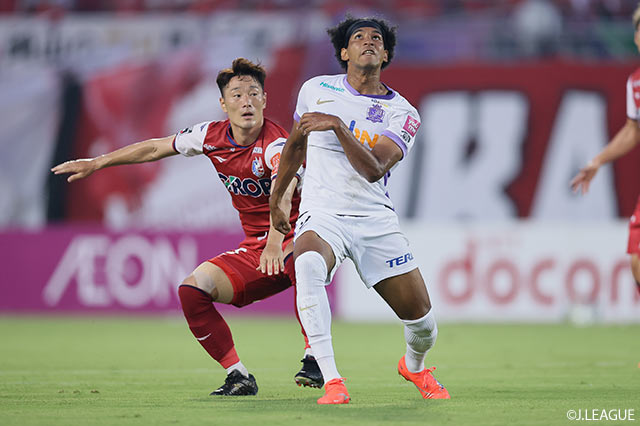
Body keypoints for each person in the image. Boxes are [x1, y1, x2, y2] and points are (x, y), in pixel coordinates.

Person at [51, 58, 323, 395]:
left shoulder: (277, 145)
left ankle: (314, 357)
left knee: (302, 260)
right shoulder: (210, 135)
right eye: (237, 95)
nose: (246, 102)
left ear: (265, 100)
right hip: (258, 247)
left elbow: (284, 191)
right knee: (192, 290)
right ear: (223, 103)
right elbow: (155, 147)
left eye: (254, 93)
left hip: (300, 236)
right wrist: (98, 162)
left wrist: (275, 242)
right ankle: (238, 375)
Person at [269, 16, 450, 404]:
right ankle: (333, 381)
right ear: (344, 52)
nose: (368, 41)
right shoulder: (315, 89)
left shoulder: (403, 113)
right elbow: (296, 145)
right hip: (322, 212)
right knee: (307, 265)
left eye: (376, 39)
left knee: (423, 325)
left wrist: (338, 126)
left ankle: (414, 366)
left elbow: (375, 168)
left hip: (374, 220)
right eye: (358, 38)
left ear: (385, 55)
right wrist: (277, 196)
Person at [571, 5, 640, 296]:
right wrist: (598, 160)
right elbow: (633, 130)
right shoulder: (635, 83)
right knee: (637, 260)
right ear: (636, 38)